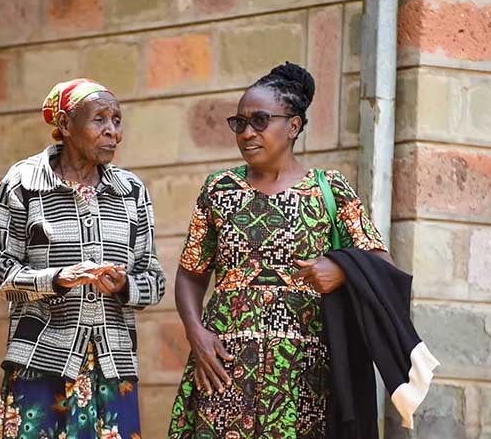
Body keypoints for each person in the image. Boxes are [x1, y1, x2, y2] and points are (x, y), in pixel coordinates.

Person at [167, 62, 391, 439]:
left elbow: (383, 265)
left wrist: (341, 269)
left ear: (293, 126)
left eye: (259, 121)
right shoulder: (218, 190)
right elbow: (191, 273)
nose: (247, 133)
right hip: (223, 367)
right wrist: (195, 333)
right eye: (239, 123)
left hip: (303, 376)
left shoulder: (329, 191)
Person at [0, 78, 165, 439]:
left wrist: (126, 284)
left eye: (117, 120)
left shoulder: (131, 192)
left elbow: (155, 280)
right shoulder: (23, 182)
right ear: (65, 125)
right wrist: (57, 278)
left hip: (113, 366)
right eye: (100, 119)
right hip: (40, 363)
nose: (113, 131)